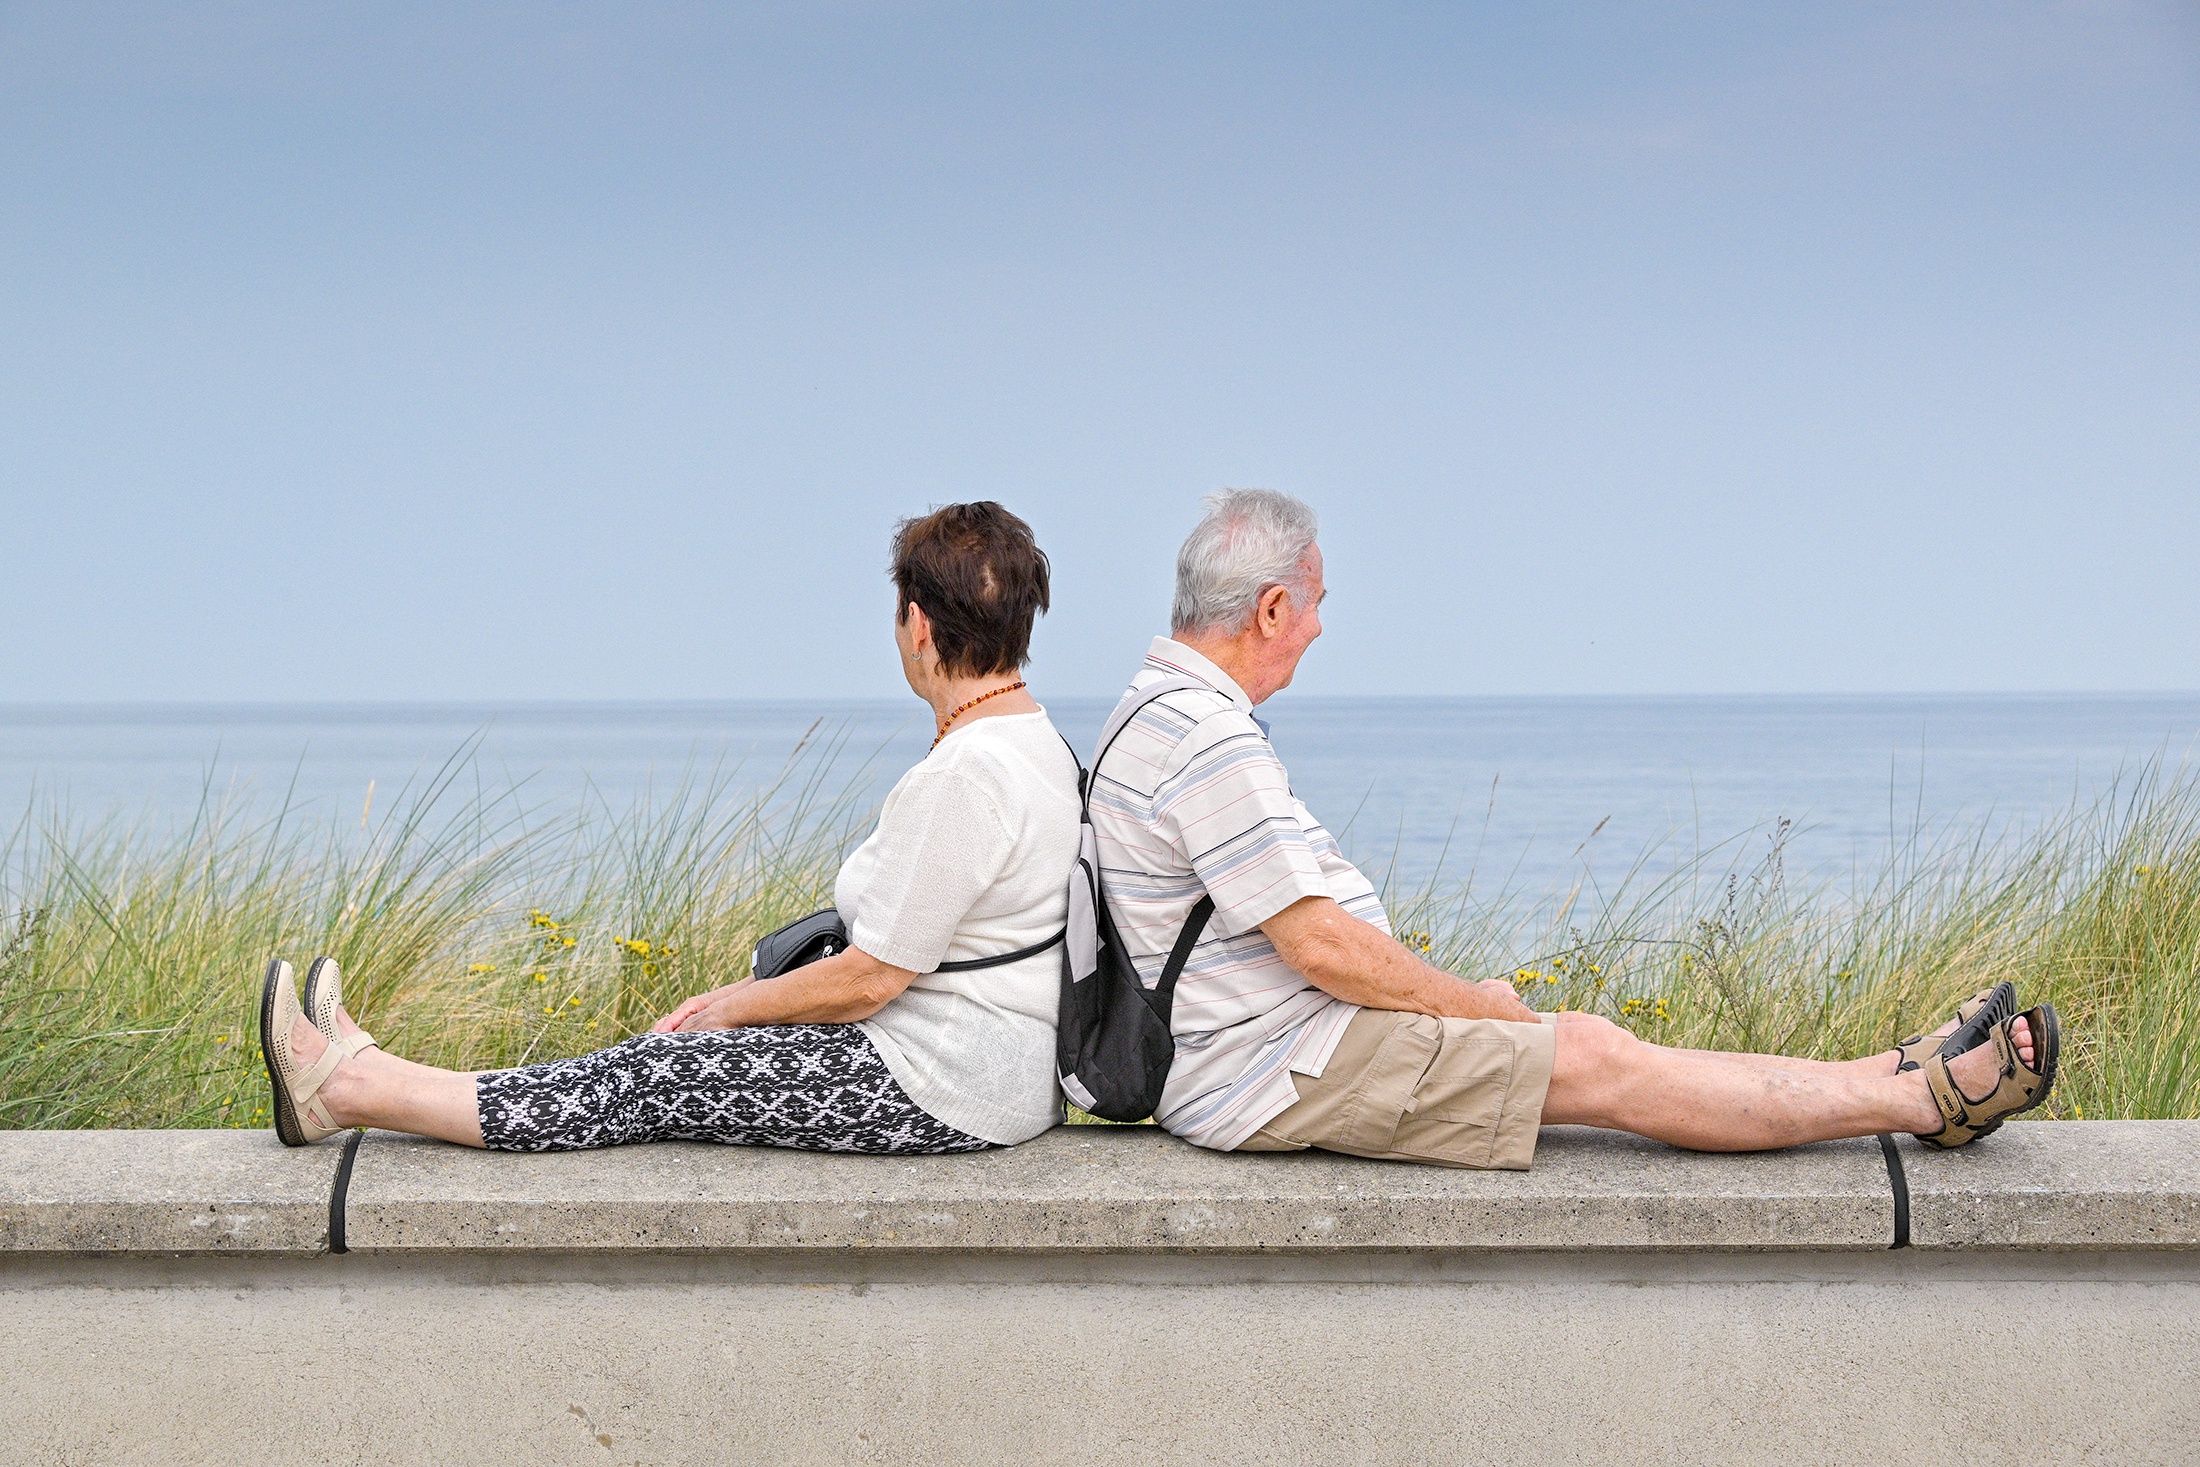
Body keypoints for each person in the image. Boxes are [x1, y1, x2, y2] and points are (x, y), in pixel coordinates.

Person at [1087, 488, 2056, 1167]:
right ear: (1268, 607)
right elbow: (1319, 944)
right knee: (1594, 1062)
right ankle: (1928, 1102)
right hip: (1273, 1070)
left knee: (1589, 1038)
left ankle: (1889, 1070)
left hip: (1271, 1051)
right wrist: (1475, 1004)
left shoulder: (1156, 709)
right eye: (1314, 607)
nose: (1319, 629)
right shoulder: (1203, 735)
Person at [259, 502, 1080, 1155]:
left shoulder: (968, 773)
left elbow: (872, 980)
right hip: (988, 1070)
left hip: (940, 1082)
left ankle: (344, 1091)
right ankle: (368, 1065)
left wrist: (737, 1008)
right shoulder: (1031, 740)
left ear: (918, 625)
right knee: (659, 1067)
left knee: (647, 1078)